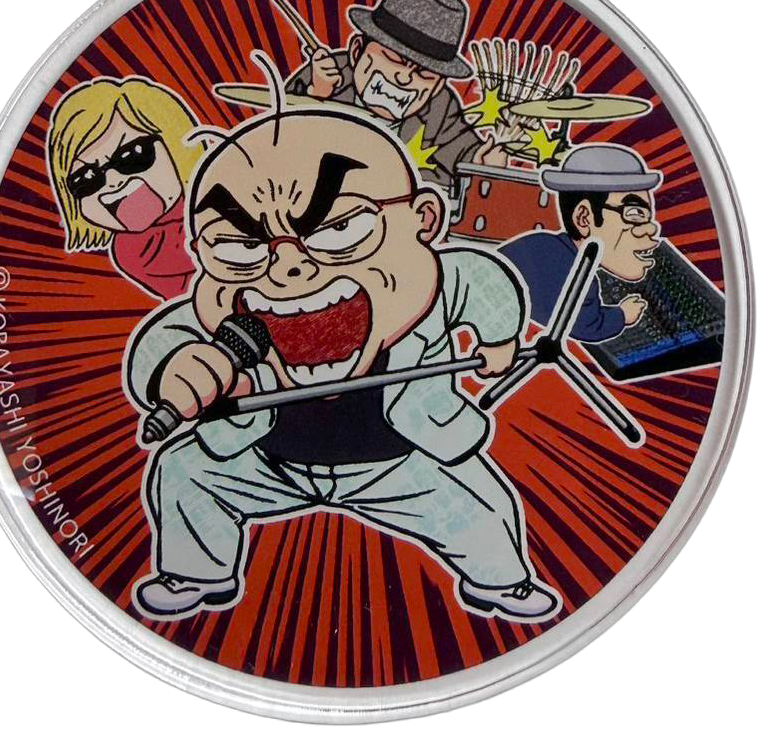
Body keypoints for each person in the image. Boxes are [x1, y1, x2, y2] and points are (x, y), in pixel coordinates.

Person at [125, 94, 561, 623]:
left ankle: (505, 582)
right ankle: (195, 573)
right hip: (268, 463)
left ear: (423, 220)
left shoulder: (443, 282)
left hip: (403, 464)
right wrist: (174, 368)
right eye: (239, 245)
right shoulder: (226, 317)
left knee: (483, 506)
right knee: (183, 471)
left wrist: (498, 339)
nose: (287, 267)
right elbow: (164, 336)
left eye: (339, 227)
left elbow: (485, 279)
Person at [285, 0, 514, 189]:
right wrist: (317, 98)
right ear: (357, 51)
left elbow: (464, 153)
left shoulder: (440, 110)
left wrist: (482, 166)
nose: (404, 78)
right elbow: (277, 142)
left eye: (424, 74)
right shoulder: (324, 76)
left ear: (437, 87)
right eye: (394, 59)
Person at [47, 76, 202, 301]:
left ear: (174, 143)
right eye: (87, 179)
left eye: (131, 156)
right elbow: (205, 244)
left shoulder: (211, 193)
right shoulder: (133, 250)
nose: (114, 181)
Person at [498, 144, 661, 343]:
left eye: (648, 217)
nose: (651, 229)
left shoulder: (545, 245)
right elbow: (587, 327)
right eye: (634, 214)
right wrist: (622, 316)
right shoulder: (573, 274)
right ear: (584, 218)